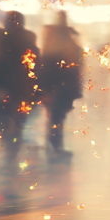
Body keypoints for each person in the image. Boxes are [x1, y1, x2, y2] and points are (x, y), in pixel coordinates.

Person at [0, 11, 40, 155]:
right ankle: (12, 150)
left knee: (5, 121)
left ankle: (9, 147)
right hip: (24, 88)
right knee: (18, 122)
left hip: (4, 88)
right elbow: (36, 65)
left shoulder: (0, 40)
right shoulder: (29, 39)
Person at [39, 11, 84, 156]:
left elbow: (45, 67)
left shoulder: (51, 44)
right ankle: (55, 144)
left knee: (54, 115)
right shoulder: (70, 45)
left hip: (53, 87)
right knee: (57, 116)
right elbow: (75, 69)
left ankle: (53, 143)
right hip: (63, 87)